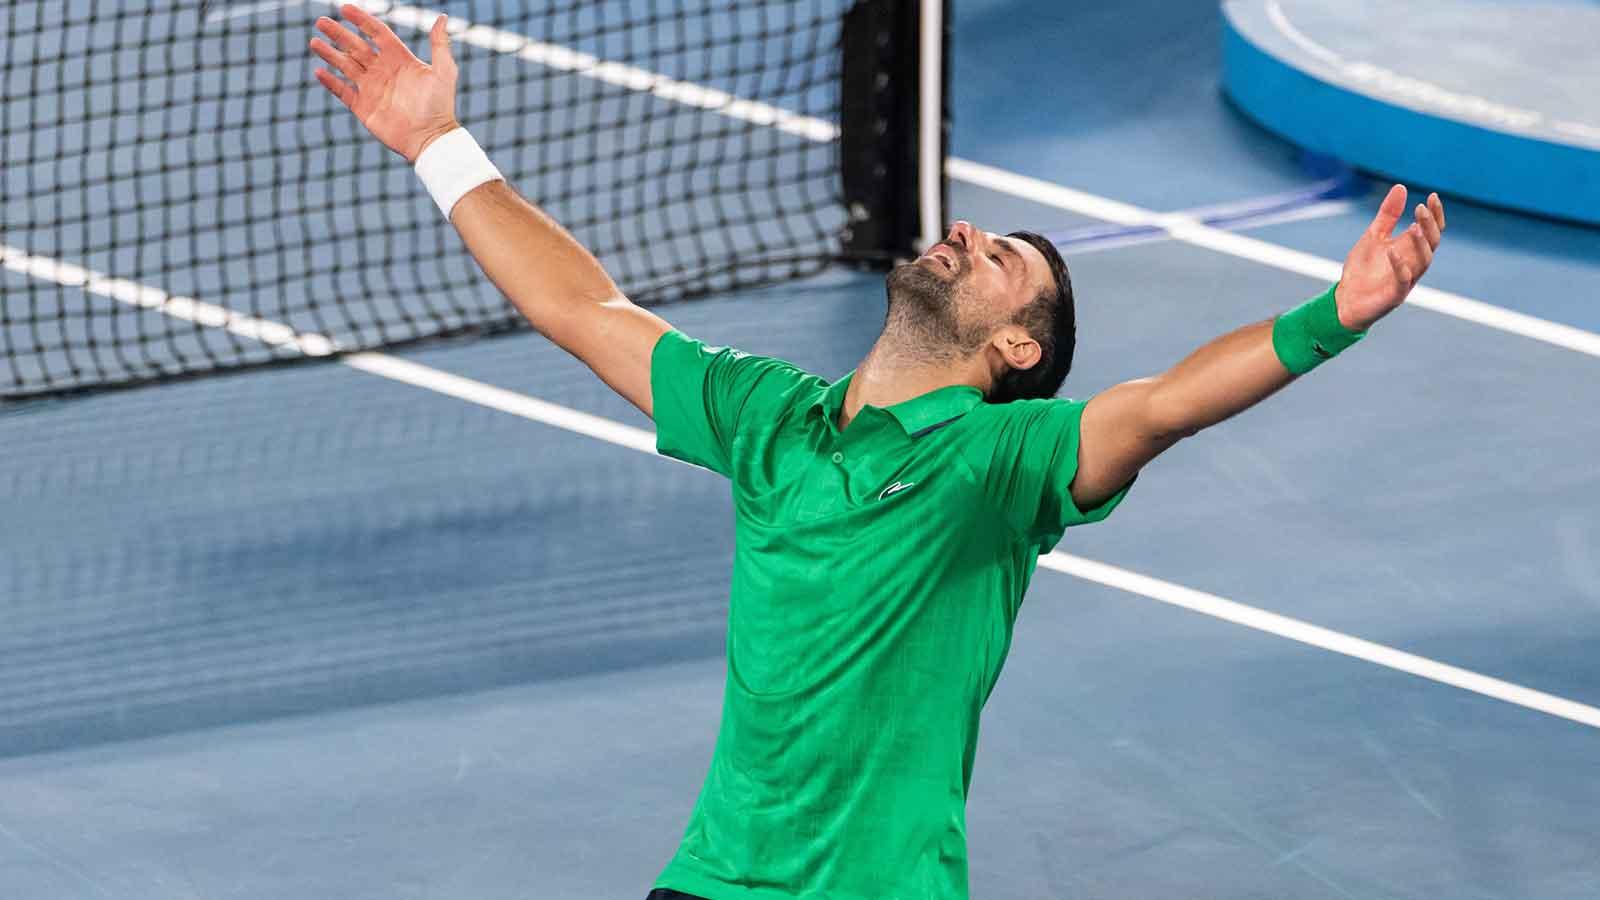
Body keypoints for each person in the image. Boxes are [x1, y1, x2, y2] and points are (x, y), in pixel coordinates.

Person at [308, 7, 1446, 899]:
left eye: (1003, 256)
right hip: (709, 883)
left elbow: (1160, 409)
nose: (963, 232)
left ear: (1014, 345)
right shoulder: (764, 417)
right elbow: (583, 308)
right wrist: (437, 145)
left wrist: (1327, 320)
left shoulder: (1001, 465)